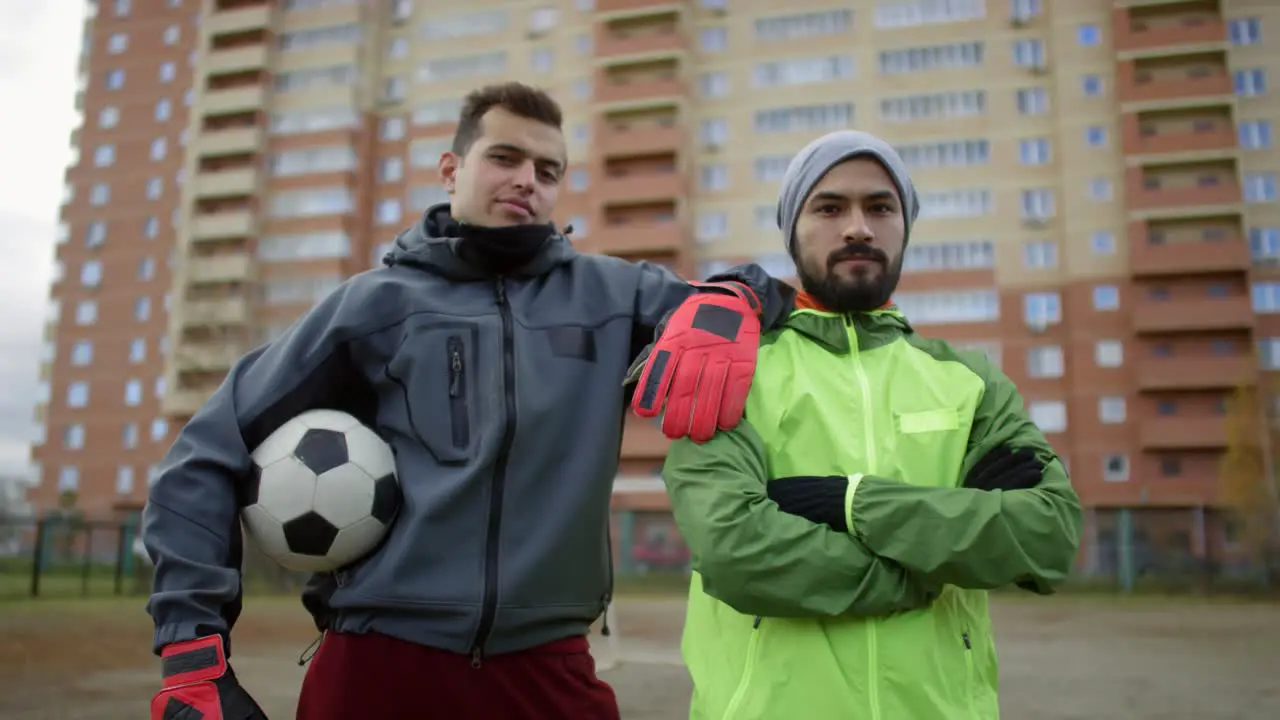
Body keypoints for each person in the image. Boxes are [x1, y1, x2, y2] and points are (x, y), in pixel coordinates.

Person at [144, 82, 793, 720]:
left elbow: (776, 300)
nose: (527, 179)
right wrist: (193, 650)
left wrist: (738, 294)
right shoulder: (374, 305)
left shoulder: (612, 296)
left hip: (548, 666)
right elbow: (205, 453)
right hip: (379, 663)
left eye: (548, 169)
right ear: (451, 170)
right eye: (504, 158)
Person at [659, 130, 1084, 719]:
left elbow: (1048, 534)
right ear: (793, 230)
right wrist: (933, 560)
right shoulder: (730, 368)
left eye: (880, 207)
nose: (857, 226)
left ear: (905, 226)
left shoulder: (969, 380)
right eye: (829, 207)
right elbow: (737, 552)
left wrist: (856, 504)